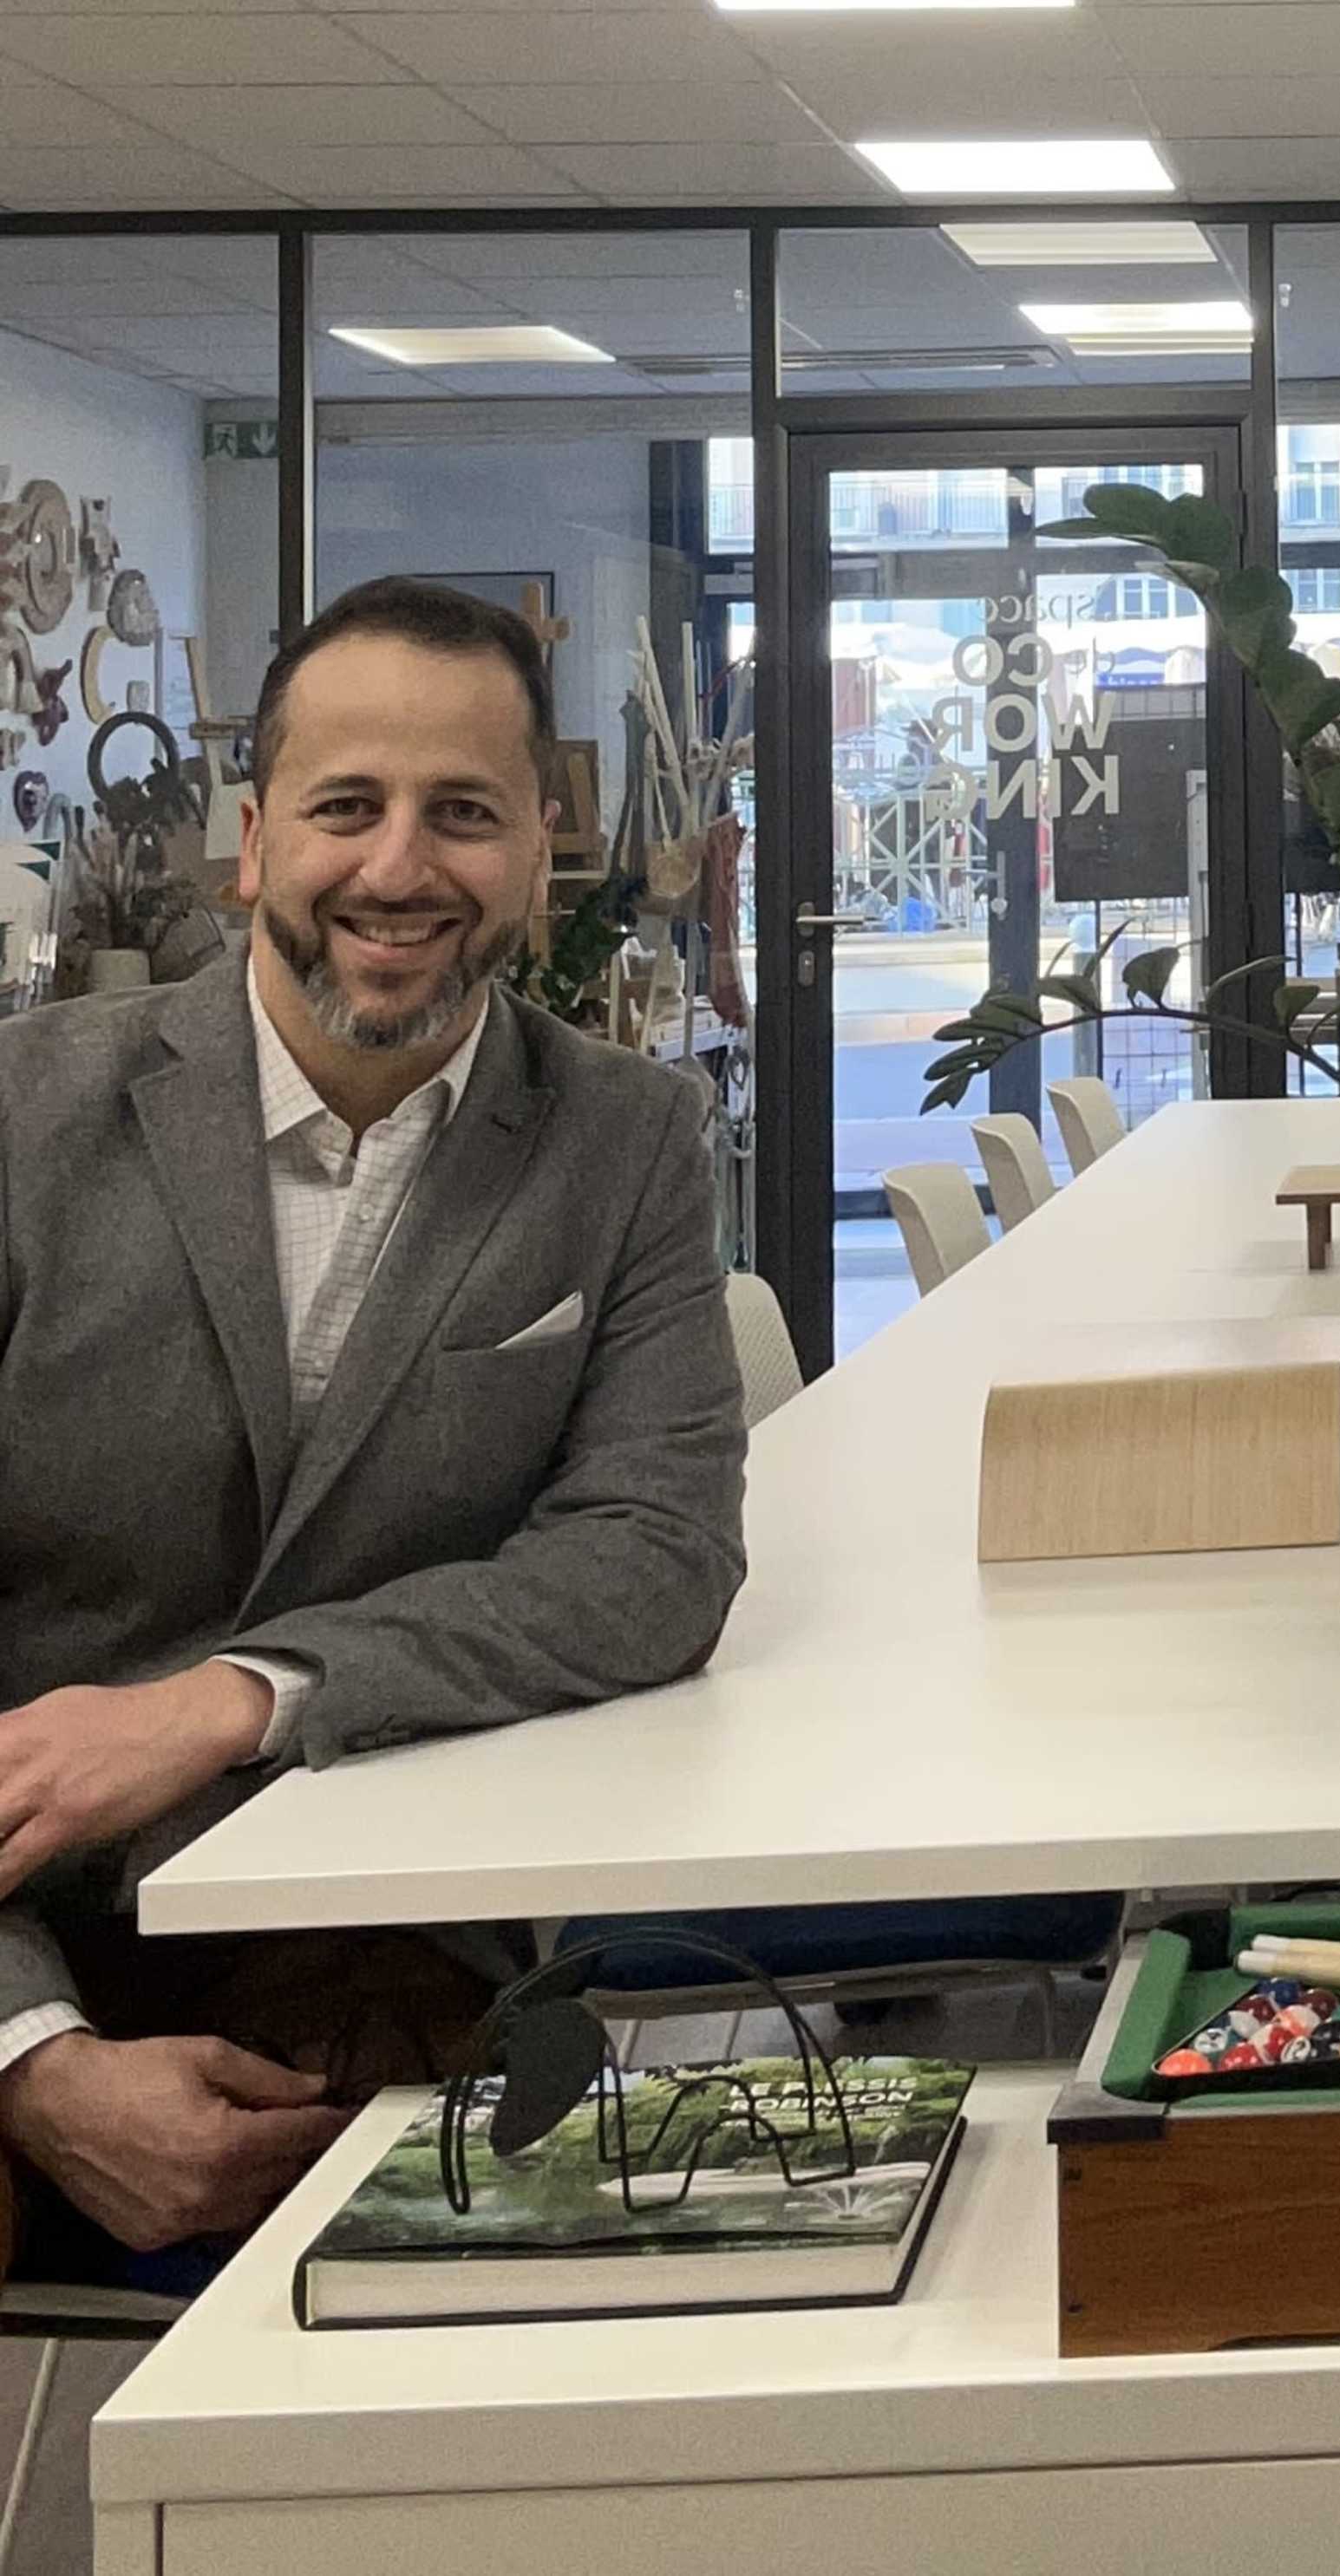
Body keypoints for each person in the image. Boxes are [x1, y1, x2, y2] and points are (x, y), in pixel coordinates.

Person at [0, 578, 748, 2260]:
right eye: (347, 804)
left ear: (542, 849)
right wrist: (37, 2067)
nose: (400, 867)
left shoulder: (626, 1140)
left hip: (418, 1970)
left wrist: (234, 1699)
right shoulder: (22, 1123)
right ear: (252, 841)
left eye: (463, 813)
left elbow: (656, 1553)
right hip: (35, 1946)